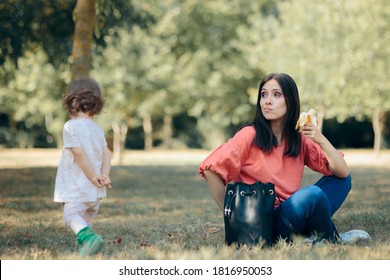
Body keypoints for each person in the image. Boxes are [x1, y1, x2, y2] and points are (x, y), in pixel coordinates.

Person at [198, 73, 370, 245]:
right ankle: (330, 238)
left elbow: (342, 172)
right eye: (264, 94)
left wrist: (320, 139)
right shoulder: (249, 135)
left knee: (342, 181)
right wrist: (234, 218)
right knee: (312, 195)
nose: (267, 100)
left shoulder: (298, 138)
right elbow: (210, 169)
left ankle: (312, 237)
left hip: (290, 214)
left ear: (290, 101)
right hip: (263, 223)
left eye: (276, 94)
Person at [54, 77, 112, 256]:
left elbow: (78, 154)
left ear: (72, 101)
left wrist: (92, 177)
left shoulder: (71, 127)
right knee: (85, 219)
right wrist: (103, 175)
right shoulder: (96, 129)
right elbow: (107, 154)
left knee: (70, 215)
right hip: (94, 193)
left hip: (78, 187)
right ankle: (86, 248)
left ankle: (89, 240)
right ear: (96, 104)